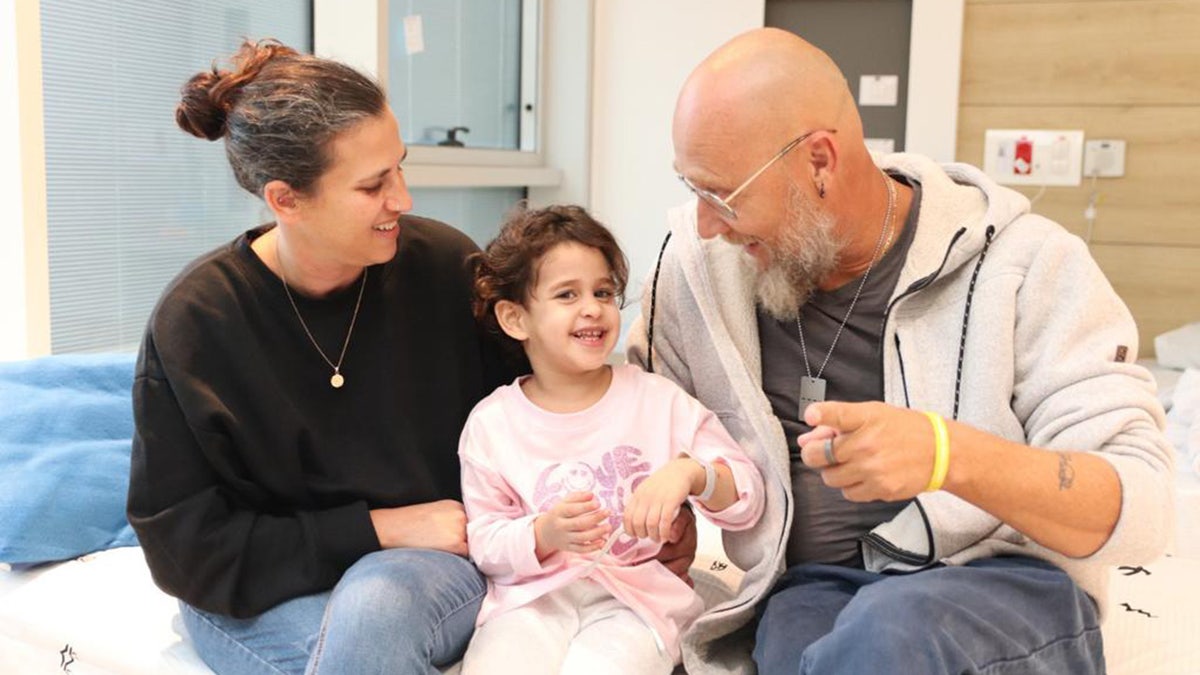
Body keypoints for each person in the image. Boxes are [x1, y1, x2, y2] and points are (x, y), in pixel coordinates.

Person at [125, 40, 698, 675]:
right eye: (373, 185)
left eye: (398, 167)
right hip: (258, 590)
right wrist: (380, 528)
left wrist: (662, 509)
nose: (403, 198)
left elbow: (555, 413)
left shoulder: (444, 269)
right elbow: (187, 552)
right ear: (285, 200)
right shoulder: (196, 324)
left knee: (373, 618)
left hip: (416, 576)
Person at [627, 28, 1175, 675]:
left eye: (721, 195)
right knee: (804, 650)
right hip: (814, 589)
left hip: (1003, 583)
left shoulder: (1029, 266)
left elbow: (1144, 509)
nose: (706, 224)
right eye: (692, 189)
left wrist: (949, 455)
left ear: (821, 162)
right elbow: (630, 411)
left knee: (887, 635)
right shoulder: (698, 274)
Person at [458, 205, 765, 674]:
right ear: (515, 318)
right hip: (530, 603)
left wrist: (690, 474)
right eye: (566, 294)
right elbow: (485, 540)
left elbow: (747, 495)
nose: (592, 308)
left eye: (603, 292)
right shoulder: (491, 424)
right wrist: (543, 533)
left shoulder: (660, 401)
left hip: (638, 604)